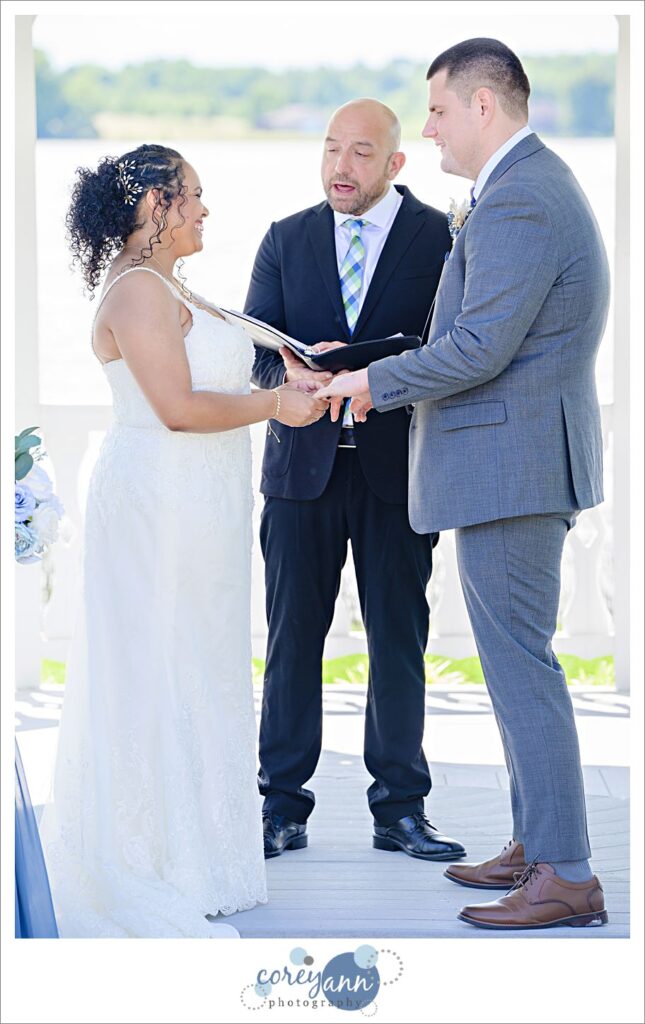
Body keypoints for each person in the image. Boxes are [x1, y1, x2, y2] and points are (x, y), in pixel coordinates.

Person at [316, 40, 610, 930]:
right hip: (508, 467)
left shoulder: (521, 197)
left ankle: (566, 875)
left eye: (438, 110)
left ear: (485, 106)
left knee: (524, 673)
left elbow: (480, 348)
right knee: (512, 669)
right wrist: (367, 362)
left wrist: (370, 385)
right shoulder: (518, 188)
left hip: (511, 471)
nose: (431, 127)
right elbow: (473, 332)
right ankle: (536, 842)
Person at [39, 144, 328, 938]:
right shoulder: (136, 291)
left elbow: (220, 373)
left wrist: (292, 372)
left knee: (200, 658)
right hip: (158, 501)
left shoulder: (171, 285)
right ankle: (155, 856)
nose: (205, 209)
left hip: (199, 501)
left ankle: (206, 854)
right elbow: (174, 404)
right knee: (158, 663)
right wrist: (274, 410)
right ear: (154, 207)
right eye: (193, 196)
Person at [247, 99, 466, 863]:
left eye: (361, 153)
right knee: (290, 641)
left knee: (398, 642)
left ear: (395, 164)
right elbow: (257, 349)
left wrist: (370, 364)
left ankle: (399, 809)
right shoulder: (285, 237)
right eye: (332, 148)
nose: (341, 167)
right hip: (298, 472)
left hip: (395, 470)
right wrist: (294, 368)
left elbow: (450, 345)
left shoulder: (440, 237)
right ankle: (280, 806)